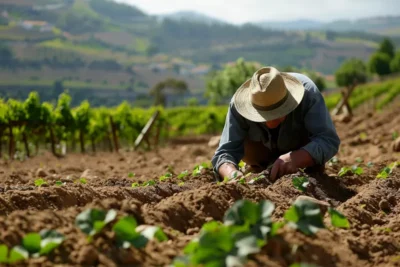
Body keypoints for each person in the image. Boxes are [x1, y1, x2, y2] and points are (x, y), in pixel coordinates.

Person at [211, 66, 340, 182]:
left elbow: (328, 140)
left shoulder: (308, 94)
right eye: (263, 116)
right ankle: (259, 168)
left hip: (304, 164)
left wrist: (295, 158)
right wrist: (232, 174)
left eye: (277, 114)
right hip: (261, 160)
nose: (271, 123)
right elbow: (225, 153)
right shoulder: (238, 105)